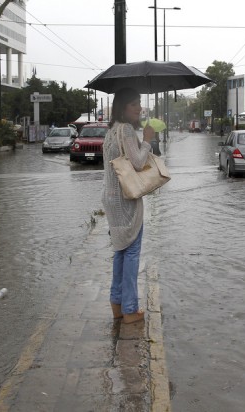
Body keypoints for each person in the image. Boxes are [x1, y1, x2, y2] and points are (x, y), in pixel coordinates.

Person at [102, 88, 155, 324]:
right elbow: (138, 162)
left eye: (140, 103)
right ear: (123, 107)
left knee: (120, 251)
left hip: (111, 197)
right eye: (134, 104)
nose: (139, 108)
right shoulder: (125, 130)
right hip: (126, 199)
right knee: (132, 252)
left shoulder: (111, 131)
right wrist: (147, 141)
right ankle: (131, 309)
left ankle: (118, 306)